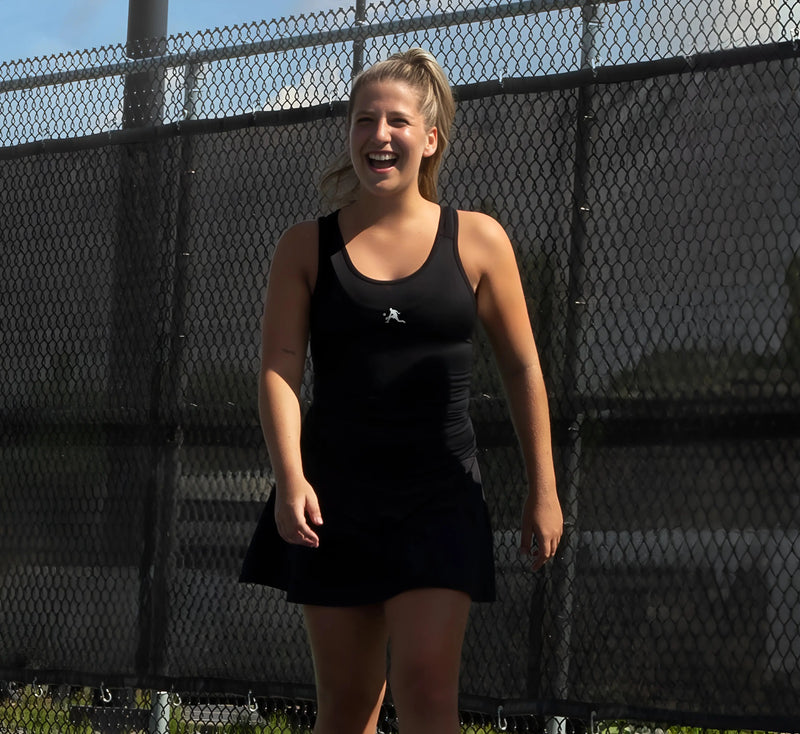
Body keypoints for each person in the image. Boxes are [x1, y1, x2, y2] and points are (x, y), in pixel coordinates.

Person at [240, 47, 562, 734]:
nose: (378, 136)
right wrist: (290, 477)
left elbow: (523, 369)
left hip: (440, 500)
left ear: (431, 137)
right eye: (363, 121)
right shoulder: (304, 248)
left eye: (396, 121)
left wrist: (544, 490)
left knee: (426, 692)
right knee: (349, 707)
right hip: (333, 501)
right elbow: (278, 370)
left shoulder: (478, 240)